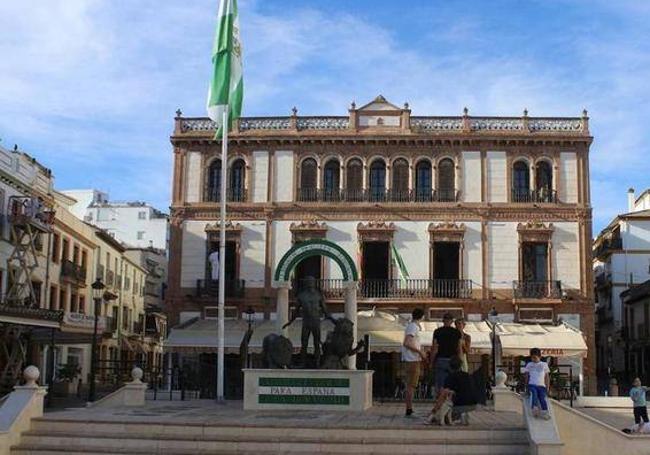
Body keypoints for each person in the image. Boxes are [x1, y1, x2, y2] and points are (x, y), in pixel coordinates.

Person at [402, 308, 427, 417]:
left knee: (411, 385)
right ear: (422, 316)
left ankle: (409, 408)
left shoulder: (411, 326)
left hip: (412, 359)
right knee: (411, 385)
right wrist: (420, 352)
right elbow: (407, 343)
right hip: (412, 360)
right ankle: (409, 409)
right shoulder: (413, 327)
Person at [431, 313, 462, 393]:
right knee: (453, 383)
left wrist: (432, 361)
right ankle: (451, 401)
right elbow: (459, 348)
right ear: (452, 321)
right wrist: (460, 361)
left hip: (441, 359)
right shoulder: (456, 332)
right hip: (453, 361)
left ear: (443, 321)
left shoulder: (437, 331)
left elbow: (434, 348)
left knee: (441, 384)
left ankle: (441, 400)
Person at [524, 347, 551, 420]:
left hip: (541, 385)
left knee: (542, 397)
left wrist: (547, 388)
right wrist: (526, 387)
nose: (533, 359)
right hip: (532, 384)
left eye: (535, 358)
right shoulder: (529, 365)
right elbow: (526, 376)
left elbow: (547, 377)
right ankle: (534, 408)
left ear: (540, 357)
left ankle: (545, 412)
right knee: (534, 393)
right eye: (532, 358)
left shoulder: (544, 365)